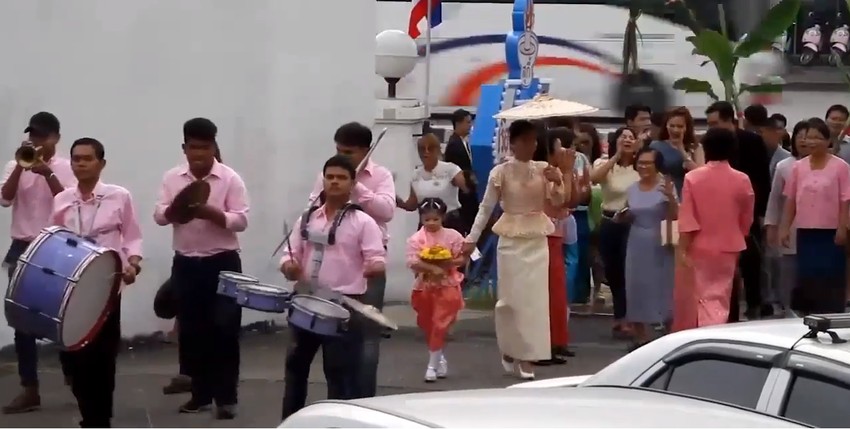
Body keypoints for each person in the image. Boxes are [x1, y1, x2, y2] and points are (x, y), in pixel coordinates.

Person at [153, 118, 249, 419]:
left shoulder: (230, 178)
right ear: (184, 148)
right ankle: (200, 395)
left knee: (225, 329)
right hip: (186, 262)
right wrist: (175, 211)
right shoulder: (172, 178)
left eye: (205, 148)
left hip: (223, 263)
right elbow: (159, 214)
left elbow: (241, 220)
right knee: (192, 332)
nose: (199, 154)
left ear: (214, 147)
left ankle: (226, 399)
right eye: (193, 148)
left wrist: (212, 213)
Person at [280, 155, 386, 419]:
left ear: (352, 183)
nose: (334, 182)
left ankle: (338, 423)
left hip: (343, 307)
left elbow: (377, 259)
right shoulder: (307, 219)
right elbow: (289, 255)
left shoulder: (363, 222)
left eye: (341, 178)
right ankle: (290, 421)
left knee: (339, 374)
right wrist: (289, 266)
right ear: (323, 181)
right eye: (330, 177)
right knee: (294, 369)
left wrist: (373, 267)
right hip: (305, 302)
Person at [463, 119, 567, 380]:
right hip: (510, 239)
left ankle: (528, 356)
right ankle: (510, 347)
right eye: (525, 140)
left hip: (537, 238)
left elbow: (558, 202)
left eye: (534, 140)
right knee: (510, 300)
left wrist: (558, 181)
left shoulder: (544, 169)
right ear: (513, 143)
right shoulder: (500, 172)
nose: (531, 145)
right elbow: (486, 208)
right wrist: (472, 238)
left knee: (535, 301)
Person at [53, 138, 143, 428]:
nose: (80, 164)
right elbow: (54, 240)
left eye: (87, 158)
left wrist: (133, 264)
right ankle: (89, 411)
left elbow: (132, 236)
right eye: (76, 159)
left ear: (101, 163)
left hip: (107, 286)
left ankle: (98, 420)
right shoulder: (62, 200)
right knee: (74, 358)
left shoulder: (119, 196)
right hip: (72, 288)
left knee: (102, 357)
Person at [307, 122, 394, 397]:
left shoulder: (380, 175)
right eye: (338, 151)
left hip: (369, 263)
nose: (341, 157)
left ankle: (364, 400)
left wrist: (358, 189)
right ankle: (338, 398)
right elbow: (312, 208)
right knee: (334, 337)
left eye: (348, 152)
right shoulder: (329, 175)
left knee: (367, 335)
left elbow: (387, 211)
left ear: (365, 151)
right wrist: (334, 190)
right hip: (333, 263)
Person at [0, 112, 75, 414]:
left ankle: (74, 376)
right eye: (33, 135)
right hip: (23, 245)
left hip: (55, 246)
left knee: (63, 315)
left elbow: (70, 204)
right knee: (22, 321)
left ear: (56, 138)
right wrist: (21, 167)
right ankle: (29, 388)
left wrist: (48, 174)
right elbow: (4, 199)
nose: (36, 141)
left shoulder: (67, 168)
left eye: (42, 136)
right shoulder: (14, 164)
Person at [672, 127, 754, 331]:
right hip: (730, 245)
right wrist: (740, 233)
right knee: (721, 295)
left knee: (699, 296)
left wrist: (682, 248)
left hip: (699, 244)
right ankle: (715, 328)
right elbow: (747, 215)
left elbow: (688, 217)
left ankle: (703, 331)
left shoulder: (693, 178)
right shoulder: (742, 179)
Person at [705, 101, 771, 320]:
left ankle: (754, 305)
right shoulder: (710, 144)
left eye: (715, 123)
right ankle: (729, 310)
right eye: (709, 124)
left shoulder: (751, 141)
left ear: (729, 120)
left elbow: (762, 179)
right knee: (725, 266)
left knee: (751, 261)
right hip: (720, 214)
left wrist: (760, 213)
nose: (711, 128)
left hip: (748, 211)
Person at [779, 118, 850, 315]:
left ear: (828, 141)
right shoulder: (798, 167)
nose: (811, 142)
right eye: (808, 137)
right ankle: (809, 315)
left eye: (817, 138)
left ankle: (832, 313)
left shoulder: (840, 167)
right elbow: (791, 199)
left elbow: (845, 199)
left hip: (830, 233)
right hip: (806, 232)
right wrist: (784, 228)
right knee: (808, 276)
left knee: (830, 275)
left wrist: (842, 227)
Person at [406, 197, 465, 382]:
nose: (431, 223)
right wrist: (431, 268)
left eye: (435, 219)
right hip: (424, 286)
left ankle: (431, 366)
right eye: (427, 219)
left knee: (440, 324)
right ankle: (439, 357)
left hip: (447, 285)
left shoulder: (453, 236)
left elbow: (463, 257)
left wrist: (447, 263)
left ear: (443, 218)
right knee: (428, 324)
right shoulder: (416, 239)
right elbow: (412, 261)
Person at [624, 146, 677, 348]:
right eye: (640, 163)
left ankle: (668, 331)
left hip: (660, 240)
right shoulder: (632, 188)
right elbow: (631, 211)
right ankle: (640, 335)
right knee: (636, 284)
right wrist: (623, 216)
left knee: (662, 284)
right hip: (636, 239)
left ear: (657, 165)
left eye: (648, 163)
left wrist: (671, 199)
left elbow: (676, 216)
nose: (643, 166)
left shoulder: (665, 186)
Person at [591, 127, 640, 338]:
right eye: (623, 137)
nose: (627, 140)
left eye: (631, 137)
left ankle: (628, 317)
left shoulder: (640, 167)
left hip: (631, 223)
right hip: (609, 221)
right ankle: (619, 316)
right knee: (612, 271)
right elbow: (594, 178)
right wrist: (616, 156)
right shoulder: (604, 164)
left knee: (629, 270)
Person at [534, 127, 575, 364]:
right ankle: (544, 344)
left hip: (555, 235)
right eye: (559, 146)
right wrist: (566, 174)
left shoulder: (556, 171)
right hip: (544, 236)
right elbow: (561, 201)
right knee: (547, 293)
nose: (564, 151)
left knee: (557, 293)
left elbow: (571, 200)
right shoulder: (544, 172)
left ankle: (556, 340)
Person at [765, 120, 810, 315]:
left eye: (809, 137)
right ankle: (787, 308)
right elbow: (774, 199)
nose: (804, 141)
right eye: (800, 136)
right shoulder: (784, 166)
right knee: (788, 273)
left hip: (817, 229)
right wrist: (771, 225)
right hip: (789, 228)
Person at [397, 133, 469, 233]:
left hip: (450, 224)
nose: (426, 152)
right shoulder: (416, 174)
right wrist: (396, 200)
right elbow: (412, 205)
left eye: (430, 148)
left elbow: (466, 188)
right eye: (422, 149)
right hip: (426, 226)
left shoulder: (451, 169)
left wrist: (465, 181)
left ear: (438, 150)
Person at [649, 106, 703, 197]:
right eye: (672, 126)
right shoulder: (656, 146)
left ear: (687, 127)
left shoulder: (696, 147)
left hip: (689, 193)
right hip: (663, 193)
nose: (675, 130)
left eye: (680, 126)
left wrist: (681, 149)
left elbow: (701, 175)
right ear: (666, 126)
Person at [444, 108, 479, 235]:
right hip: (462, 194)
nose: (470, 125)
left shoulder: (464, 142)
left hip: (469, 192)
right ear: (458, 123)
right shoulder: (454, 145)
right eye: (467, 122)